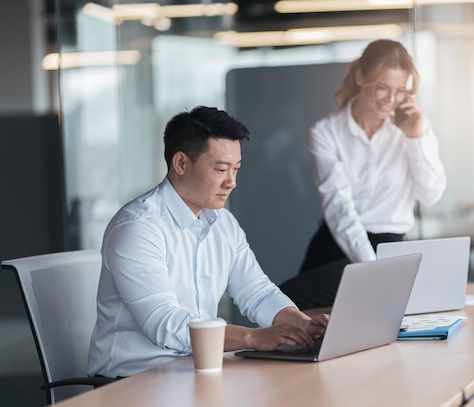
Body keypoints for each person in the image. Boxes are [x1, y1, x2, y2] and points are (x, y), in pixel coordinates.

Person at [88, 106, 328, 378]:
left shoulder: (223, 224)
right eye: (221, 169)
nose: (232, 182)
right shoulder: (137, 228)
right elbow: (165, 324)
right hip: (134, 380)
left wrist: (303, 325)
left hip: (199, 368)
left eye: (236, 169)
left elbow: (257, 292)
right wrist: (253, 338)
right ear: (180, 164)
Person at [280, 39, 447, 309]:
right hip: (339, 241)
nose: (391, 101)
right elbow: (338, 207)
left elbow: (431, 195)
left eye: (400, 91)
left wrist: (415, 137)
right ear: (360, 77)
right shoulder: (326, 132)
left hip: (389, 247)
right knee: (287, 305)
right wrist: (371, 271)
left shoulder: (414, 128)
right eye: (382, 88)